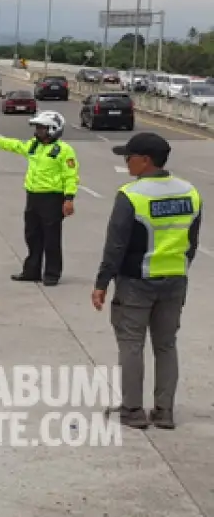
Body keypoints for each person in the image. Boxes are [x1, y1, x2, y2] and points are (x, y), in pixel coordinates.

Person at [92, 133, 200, 430]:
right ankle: (164, 412)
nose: (126, 161)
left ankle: (132, 410)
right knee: (166, 345)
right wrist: (177, 268)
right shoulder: (189, 192)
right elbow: (192, 242)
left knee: (131, 345)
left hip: (137, 282)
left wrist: (102, 282)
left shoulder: (132, 195)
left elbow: (116, 245)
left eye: (129, 156)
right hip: (175, 281)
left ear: (145, 160)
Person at [0, 110, 78, 286]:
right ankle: (31, 271)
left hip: (52, 198)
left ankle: (52, 274)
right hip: (33, 197)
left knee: (51, 238)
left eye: (42, 128)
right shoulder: (34, 145)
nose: (38, 131)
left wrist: (69, 199)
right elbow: (17, 146)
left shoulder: (64, 151)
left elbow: (71, 176)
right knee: (32, 236)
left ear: (53, 129)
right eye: (38, 128)